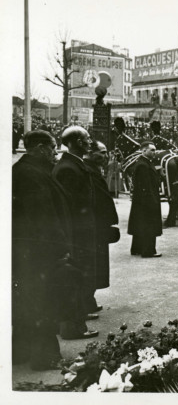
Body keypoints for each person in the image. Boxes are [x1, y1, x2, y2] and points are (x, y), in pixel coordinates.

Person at [12, 131, 73, 368]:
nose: (55, 152)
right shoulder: (32, 175)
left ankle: (21, 353)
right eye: (53, 147)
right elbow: (44, 217)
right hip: (39, 252)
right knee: (43, 303)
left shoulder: (24, 170)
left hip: (27, 252)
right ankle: (44, 356)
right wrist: (61, 249)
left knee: (27, 302)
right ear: (40, 148)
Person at [53, 126, 100, 339]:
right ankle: (74, 327)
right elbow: (68, 209)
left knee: (81, 277)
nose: (90, 142)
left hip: (82, 232)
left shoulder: (73, 165)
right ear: (76, 143)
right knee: (76, 277)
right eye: (86, 138)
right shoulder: (68, 169)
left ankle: (78, 318)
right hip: (77, 234)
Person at [83, 141, 120, 311]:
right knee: (92, 265)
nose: (106, 156)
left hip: (98, 224)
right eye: (102, 153)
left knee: (96, 265)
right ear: (90, 153)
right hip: (95, 225)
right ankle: (86, 301)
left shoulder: (92, 169)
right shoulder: (88, 170)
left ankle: (89, 300)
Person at [128, 141, 163, 258]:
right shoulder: (144, 165)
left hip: (141, 201)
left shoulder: (143, 163)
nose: (154, 152)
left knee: (140, 224)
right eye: (152, 150)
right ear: (144, 151)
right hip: (147, 200)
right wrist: (152, 201)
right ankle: (148, 251)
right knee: (149, 225)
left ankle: (137, 248)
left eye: (155, 150)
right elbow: (146, 186)